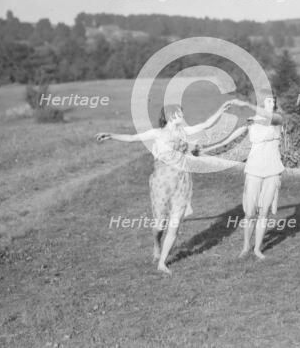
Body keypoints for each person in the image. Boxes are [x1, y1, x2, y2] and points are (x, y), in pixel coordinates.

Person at [96, 101, 232, 274]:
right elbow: (132, 138)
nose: (182, 115)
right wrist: (111, 135)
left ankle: (162, 262)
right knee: (160, 225)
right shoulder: (157, 133)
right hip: (161, 183)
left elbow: (205, 124)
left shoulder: (184, 132)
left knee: (174, 224)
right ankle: (156, 243)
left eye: (182, 112)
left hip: (181, 183)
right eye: (179, 113)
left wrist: (220, 110)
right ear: (170, 116)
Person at [203, 91, 284, 259]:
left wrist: (246, 105)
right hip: (254, 169)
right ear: (262, 103)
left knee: (264, 212)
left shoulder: (277, 119)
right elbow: (233, 136)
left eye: (273, 101)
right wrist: (209, 149)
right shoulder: (251, 121)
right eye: (268, 101)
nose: (271, 103)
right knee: (249, 212)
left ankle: (257, 249)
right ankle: (246, 246)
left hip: (272, 169)